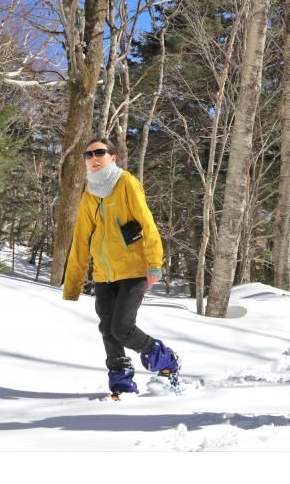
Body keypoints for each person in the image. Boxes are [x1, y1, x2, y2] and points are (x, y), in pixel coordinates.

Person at [62, 138, 181, 397]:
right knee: (107, 328)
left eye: (100, 153)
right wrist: (73, 283)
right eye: (88, 154)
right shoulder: (89, 192)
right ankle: (121, 384)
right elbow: (81, 238)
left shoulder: (126, 182)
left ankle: (166, 359)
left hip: (134, 270)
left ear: (113, 157)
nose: (93, 158)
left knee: (122, 328)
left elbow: (147, 223)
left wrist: (154, 265)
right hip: (104, 274)